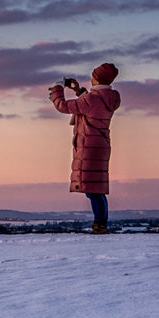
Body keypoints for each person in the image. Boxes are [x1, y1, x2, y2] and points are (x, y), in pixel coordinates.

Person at [50, 63, 121, 234]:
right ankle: (101, 224)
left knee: (93, 191)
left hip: (89, 147)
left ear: (97, 79)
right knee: (97, 188)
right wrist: (79, 91)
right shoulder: (110, 97)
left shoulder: (92, 100)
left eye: (93, 76)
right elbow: (90, 104)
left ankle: (100, 226)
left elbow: (63, 106)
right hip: (100, 145)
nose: (92, 79)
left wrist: (57, 90)